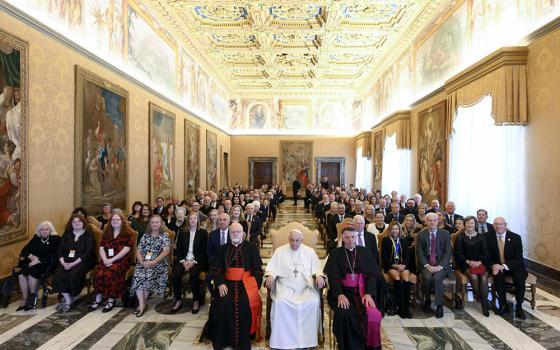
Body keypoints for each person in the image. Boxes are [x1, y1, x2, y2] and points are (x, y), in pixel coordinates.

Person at [265, 229, 325, 349]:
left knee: (313, 302)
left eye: (297, 241)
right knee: (280, 302)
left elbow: (318, 268)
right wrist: (270, 275)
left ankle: (308, 340)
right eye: (292, 240)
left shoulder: (310, 252)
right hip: (285, 287)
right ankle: (282, 340)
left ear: (301, 240)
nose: (294, 243)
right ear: (288, 239)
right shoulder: (280, 251)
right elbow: (271, 267)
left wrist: (319, 276)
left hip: (305, 287)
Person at [324, 226, 382, 350]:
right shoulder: (335, 254)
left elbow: (372, 275)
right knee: (344, 313)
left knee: (374, 314)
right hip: (343, 292)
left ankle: (369, 346)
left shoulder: (365, 252)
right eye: (347, 237)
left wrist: (368, 293)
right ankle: (348, 346)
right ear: (342, 238)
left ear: (356, 237)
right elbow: (333, 278)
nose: (350, 240)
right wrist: (339, 294)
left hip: (362, 292)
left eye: (352, 237)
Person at [208, 223, 263, 350]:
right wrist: (220, 283)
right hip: (227, 283)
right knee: (223, 302)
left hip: (247, 283)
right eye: (233, 232)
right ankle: (224, 339)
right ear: (229, 233)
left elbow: (258, 270)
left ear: (243, 233)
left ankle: (246, 337)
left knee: (244, 302)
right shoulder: (223, 249)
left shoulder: (252, 247)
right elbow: (216, 269)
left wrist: (254, 286)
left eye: (238, 232)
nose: (236, 234)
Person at [52, 214, 96, 312]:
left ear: (83, 223)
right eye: (74, 222)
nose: (76, 224)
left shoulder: (88, 234)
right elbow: (59, 250)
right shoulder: (67, 234)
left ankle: (71, 296)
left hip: (83, 260)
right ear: (71, 223)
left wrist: (73, 264)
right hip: (66, 260)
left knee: (73, 275)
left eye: (79, 221)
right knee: (58, 275)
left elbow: (88, 252)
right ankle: (68, 299)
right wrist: (63, 262)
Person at [89, 212, 132, 313]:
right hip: (106, 259)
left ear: (122, 221)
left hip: (121, 260)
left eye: (117, 220)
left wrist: (111, 260)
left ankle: (110, 300)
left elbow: (125, 250)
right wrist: (104, 260)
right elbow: (101, 248)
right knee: (99, 273)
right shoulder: (107, 233)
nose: (115, 221)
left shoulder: (128, 233)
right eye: (113, 220)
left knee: (111, 273)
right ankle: (98, 299)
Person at [485, 217, 528, 319]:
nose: (498, 226)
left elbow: (518, 258)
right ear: (493, 225)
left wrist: (503, 266)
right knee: (498, 276)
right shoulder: (487, 237)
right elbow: (485, 255)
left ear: (505, 225)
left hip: (514, 266)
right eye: (496, 224)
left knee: (519, 277)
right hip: (497, 266)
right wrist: (493, 265)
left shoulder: (516, 238)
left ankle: (519, 307)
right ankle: (503, 305)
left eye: (500, 224)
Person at [131, 215, 171, 317]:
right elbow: (138, 250)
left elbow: (166, 251)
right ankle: (142, 304)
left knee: (147, 275)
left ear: (161, 223)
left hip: (159, 263)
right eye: (152, 222)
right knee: (138, 274)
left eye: (157, 222)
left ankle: (141, 306)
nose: (154, 224)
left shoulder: (164, 235)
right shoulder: (145, 235)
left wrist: (153, 262)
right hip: (144, 262)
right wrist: (142, 262)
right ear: (150, 224)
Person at [15, 221, 61, 311]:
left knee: (32, 273)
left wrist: (39, 260)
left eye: (47, 229)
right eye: (42, 230)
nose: (44, 231)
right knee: (21, 274)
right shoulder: (36, 239)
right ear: (39, 231)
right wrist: (30, 256)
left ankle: (33, 297)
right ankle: (25, 298)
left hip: (47, 264)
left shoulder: (56, 239)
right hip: (33, 263)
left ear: (51, 230)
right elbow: (25, 250)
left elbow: (55, 254)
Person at [416, 212, 453, 318]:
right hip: (426, 263)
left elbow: (447, 253)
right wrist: (427, 266)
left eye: (434, 220)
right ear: (426, 222)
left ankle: (439, 305)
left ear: (438, 221)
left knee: (437, 279)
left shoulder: (445, 234)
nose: (432, 222)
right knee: (427, 278)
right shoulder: (421, 234)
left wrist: (440, 266)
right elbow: (420, 253)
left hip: (441, 264)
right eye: (430, 220)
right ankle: (427, 300)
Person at [171, 212, 208, 314]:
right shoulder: (183, 231)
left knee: (194, 275)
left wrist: (193, 262)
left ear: (198, 220)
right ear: (188, 220)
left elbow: (204, 251)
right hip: (184, 259)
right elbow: (178, 249)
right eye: (190, 218)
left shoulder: (203, 232)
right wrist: (184, 261)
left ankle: (196, 301)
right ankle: (178, 300)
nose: (192, 220)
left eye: (194, 218)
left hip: (197, 260)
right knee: (175, 275)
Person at [454, 216, 490, 316]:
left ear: (475, 224)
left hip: (480, 263)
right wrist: (468, 261)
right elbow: (457, 253)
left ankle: (484, 305)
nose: (470, 225)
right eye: (468, 223)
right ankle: (483, 300)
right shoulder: (460, 237)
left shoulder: (481, 237)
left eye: (472, 223)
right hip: (466, 264)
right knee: (473, 277)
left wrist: (479, 262)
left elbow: (486, 253)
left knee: (483, 278)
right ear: (464, 224)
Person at [381, 221, 412, 318]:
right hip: (391, 265)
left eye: (396, 229)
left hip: (403, 265)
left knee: (406, 279)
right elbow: (384, 256)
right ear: (389, 230)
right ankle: (401, 307)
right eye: (393, 229)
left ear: (399, 230)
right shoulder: (386, 240)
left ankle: (407, 306)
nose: (395, 231)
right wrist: (395, 266)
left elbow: (407, 255)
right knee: (397, 278)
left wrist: (403, 265)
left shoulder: (403, 240)